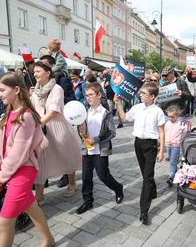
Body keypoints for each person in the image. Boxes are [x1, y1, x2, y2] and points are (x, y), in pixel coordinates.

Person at [0, 72, 54, 247]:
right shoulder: (8, 113)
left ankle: (48, 239)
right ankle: (48, 239)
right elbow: (0, 149)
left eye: (2, 90)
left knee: (3, 223)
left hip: (23, 171)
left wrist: (0, 178)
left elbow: (17, 154)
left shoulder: (26, 116)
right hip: (9, 170)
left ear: (17, 89)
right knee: (32, 207)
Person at [31, 58, 81, 205]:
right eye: (34, 71)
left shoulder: (56, 88)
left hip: (57, 128)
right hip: (40, 130)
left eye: (38, 71)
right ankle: (39, 196)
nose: (35, 74)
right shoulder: (36, 89)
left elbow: (53, 111)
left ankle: (72, 183)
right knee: (40, 161)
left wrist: (39, 123)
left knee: (66, 156)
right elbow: (32, 106)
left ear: (48, 73)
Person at [114, 82, 165, 225]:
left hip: (151, 145)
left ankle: (144, 211)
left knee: (147, 178)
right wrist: (118, 104)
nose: (140, 95)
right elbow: (124, 118)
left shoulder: (158, 111)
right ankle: (153, 191)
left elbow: (161, 131)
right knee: (146, 173)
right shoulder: (137, 108)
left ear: (152, 96)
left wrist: (161, 151)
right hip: (138, 144)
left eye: (143, 93)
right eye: (140, 93)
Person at [76, 82, 123, 214]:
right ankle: (87, 201)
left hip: (100, 150)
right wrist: (81, 131)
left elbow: (112, 133)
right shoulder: (85, 112)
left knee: (103, 175)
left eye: (91, 95)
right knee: (86, 176)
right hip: (87, 149)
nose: (88, 98)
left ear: (99, 95)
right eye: (86, 95)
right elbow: (81, 131)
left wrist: (96, 139)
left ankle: (118, 188)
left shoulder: (105, 113)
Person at [164, 106, 186, 187]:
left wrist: (180, 141)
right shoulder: (167, 123)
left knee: (173, 162)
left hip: (176, 146)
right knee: (171, 160)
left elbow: (184, 134)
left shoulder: (180, 124)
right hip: (168, 145)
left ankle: (171, 177)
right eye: (169, 116)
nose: (170, 118)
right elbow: (165, 132)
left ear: (177, 115)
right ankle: (175, 171)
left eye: (172, 117)